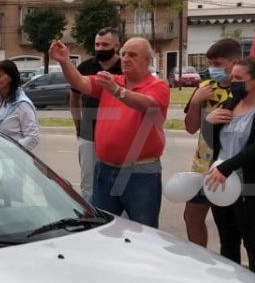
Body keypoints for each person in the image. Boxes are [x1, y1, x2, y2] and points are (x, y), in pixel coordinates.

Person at [51, 37, 169, 227]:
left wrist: (118, 91)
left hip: (140, 172)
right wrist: (65, 61)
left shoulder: (158, 86)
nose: (125, 58)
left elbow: (149, 104)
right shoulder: (113, 81)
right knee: (103, 228)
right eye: (123, 54)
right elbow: (80, 82)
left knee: (143, 231)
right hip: (105, 170)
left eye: (132, 55)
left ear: (147, 60)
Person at [204, 58, 255, 281]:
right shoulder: (227, 105)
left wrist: (227, 168)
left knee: (252, 240)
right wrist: (208, 123)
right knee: (228, 240)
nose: (233, 83)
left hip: (253, 185)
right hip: (221, 185)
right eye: (232, 78)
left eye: (239, 78)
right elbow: (211, 144)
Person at [182, 38, 242, 246]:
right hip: (202, 166)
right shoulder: (205, 87)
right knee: (192, 216)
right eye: (210, 64)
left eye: (217, 64)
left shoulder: (243, 89)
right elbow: (190, 128)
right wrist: (197, 100)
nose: (212, 69)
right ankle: (199, 259)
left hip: (229, 167)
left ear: (234, 63)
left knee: (228, 223)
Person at [70, 28, 123, 198]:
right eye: (97, 44)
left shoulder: (125, 67)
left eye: (105, 44)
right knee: (89, 184)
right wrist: (77, 124)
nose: (100, 48)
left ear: (117, 45)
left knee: (117, 184)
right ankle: (93, 220)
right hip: (88, 134)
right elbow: (74, 98)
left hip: (118, 135)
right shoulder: (85, 67)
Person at [0, 59, 40, 150]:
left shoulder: (22, 104)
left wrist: (10, 149)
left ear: (11, 77)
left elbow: (32, 138)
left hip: (12, 159)